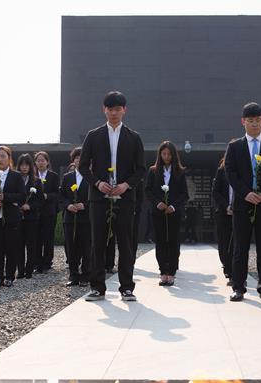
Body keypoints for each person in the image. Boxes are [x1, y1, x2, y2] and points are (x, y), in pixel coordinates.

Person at [78, 90, 146, 302]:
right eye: (110, 109)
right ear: (104, 110)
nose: (114, 113)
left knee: (125, 243)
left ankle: (127, 287)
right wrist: (98, 183)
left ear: (124, 110)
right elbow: (83, 166)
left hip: (124, 198)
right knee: (98, 242)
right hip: (99, 198)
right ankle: (97, 287)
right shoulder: (93, 135)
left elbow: (141, 169)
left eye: (117, 109)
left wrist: (126, 185)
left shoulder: (134, 137)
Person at [225, 102, 261, 302]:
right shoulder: (234, 146)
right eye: (250, 120)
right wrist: (245, 193)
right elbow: (230, 172)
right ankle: (238, 287)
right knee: (240, 248)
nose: (255, 124)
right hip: (243, 204)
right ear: (243, 122)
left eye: (258, 120)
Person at [145, 141, 188, 285]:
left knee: (173, 242)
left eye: (169, 154)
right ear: (160, 154)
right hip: (158, 213)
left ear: (173, 155)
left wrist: (174, 206)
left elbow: (184, 194)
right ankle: (163, 271)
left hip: (174, 213)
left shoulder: (180, 172)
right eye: (164, 154)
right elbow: (148, 191)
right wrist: (158, 203)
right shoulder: (153, 171)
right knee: (161, 241)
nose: (166, 157)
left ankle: (172, 272)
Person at [0, 146, 25, 287]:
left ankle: (9, 276)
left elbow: (22, 195)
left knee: (11, 247)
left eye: (3, 156)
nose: (0, 159)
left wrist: (6, 197)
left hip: (11, 217)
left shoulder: (16, 176)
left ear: (9, 158)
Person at [61, 147, 91, 286]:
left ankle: (86, 275)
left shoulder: (93, 177)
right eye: (77, 158)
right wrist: (68, 205)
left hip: (86, 218)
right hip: (70, 218)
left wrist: (85, 205)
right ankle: (73, 275)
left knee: (86, 247)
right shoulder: (67, 177)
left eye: (82, 157)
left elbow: (98, 198)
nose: (79, 160)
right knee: (71, 247)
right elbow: (62, 196)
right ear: (73, 160)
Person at [16, 153, 41, 279]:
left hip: (31, 218)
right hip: (17, 217)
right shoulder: (14, 179)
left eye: (27, 165)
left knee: (31, 244)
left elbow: (40, 200)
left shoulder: (36, 181)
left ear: (31, 166)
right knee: (18, 244)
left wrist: (30, 206)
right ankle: (20, 270)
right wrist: (17, 205)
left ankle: (29, 270)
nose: (24, 167)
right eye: (22, 165)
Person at [34, 151, 60, 273]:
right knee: (36, 237)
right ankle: (37, 261)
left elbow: (57, 193)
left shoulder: (53, 176)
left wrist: (47, 196)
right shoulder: (33, 175)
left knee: (48, 237)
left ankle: (47, 262)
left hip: (49, 211)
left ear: (47, 162)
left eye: (42, 160)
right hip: (35, 211)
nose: (40, 163)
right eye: (38, 160)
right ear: (35, 162)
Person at [211, 154, 233, 285]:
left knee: (236, 242)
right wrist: (226, 206)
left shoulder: (243, 171)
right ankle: (227, 265)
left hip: (238, 212)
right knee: (224, 240)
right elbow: (215, 192)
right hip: (223, 212)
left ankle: (235, 269)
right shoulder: (221, 171)